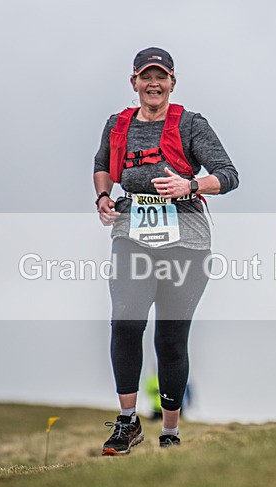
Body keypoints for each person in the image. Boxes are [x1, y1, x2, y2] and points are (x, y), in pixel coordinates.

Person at [93, 47, 238, 454]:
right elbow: (102, 164)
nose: (153, 84)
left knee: (171, 338)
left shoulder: (191, 124)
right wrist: (103, 196)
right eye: (145, 76)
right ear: (134, 82)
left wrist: (189, 186)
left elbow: (228, 175)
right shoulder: (117, 124)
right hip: (131, 233)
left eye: (161, 77)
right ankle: (126, 422)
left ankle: (170, 432)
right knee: (125, 322)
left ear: (173, 81)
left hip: (186, 239)